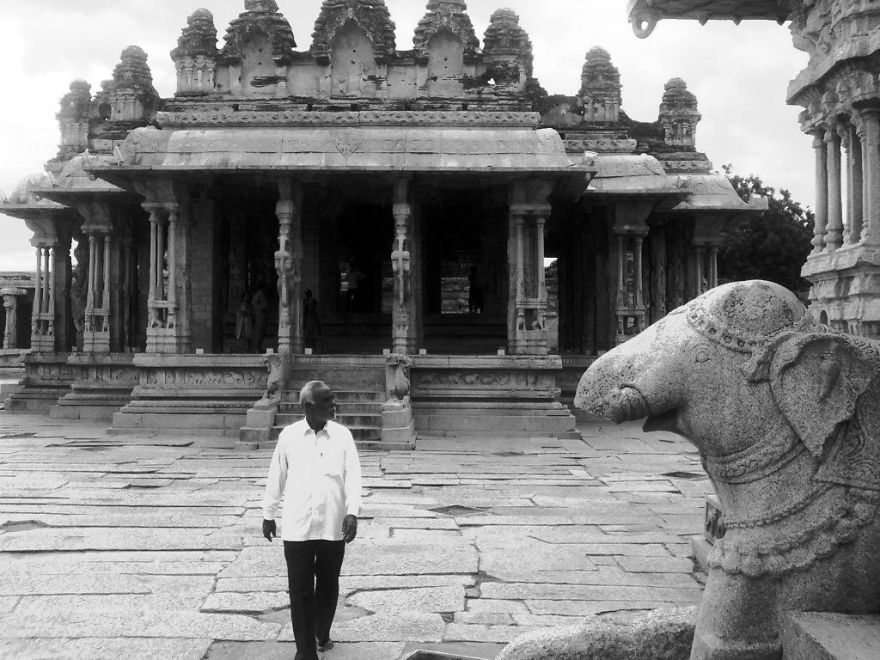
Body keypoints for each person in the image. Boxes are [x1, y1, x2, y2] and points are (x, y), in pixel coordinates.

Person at [262, 381, 362, 660]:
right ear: (308, 406)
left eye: (333, 399)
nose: (333, 405)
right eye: (326, 401)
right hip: (297, 527)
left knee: (329, 585)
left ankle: (322, 631)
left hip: (333, 525)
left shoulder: (343, 436)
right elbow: (276, 475)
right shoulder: (289, 436)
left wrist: (352, 511)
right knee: (300, 591)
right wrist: (268, 514)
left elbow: (353, 476)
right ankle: (305, 652)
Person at [250, 284, 269, 353]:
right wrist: (260, 308)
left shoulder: (263, 294)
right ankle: (256, 348)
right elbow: (253, 302)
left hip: (263, 315)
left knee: (261, 332)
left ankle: (259, 347)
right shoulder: (259, 293)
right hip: (260, 315)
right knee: (258, 332)